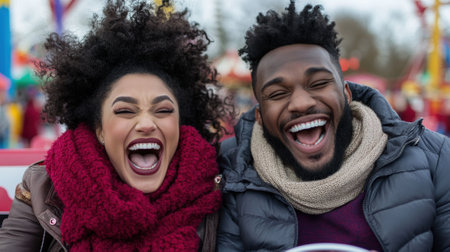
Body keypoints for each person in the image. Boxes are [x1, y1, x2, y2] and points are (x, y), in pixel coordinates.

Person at [216, 1, 450, 251]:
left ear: (347, 94)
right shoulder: (232, 174)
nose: (301, 103)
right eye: (277, 93)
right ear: (260, 116)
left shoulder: (434, 159)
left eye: (318, 83)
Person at [0, 0, 230, 251]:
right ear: (98, 129)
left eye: (163, 110)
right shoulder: (42, 187)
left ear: (180, 124)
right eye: (125, 111)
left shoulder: (219, 186)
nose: (145, 123)